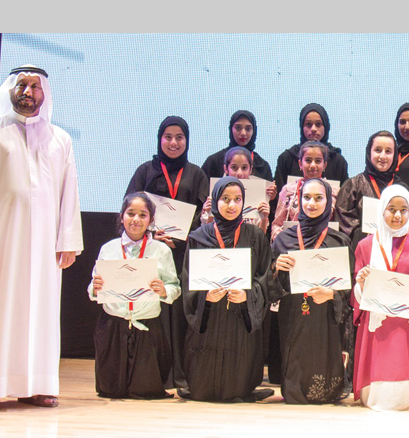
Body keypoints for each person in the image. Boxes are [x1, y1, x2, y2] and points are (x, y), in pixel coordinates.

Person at [0, 65, 83, 410]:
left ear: (45, 93)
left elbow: (69, 193)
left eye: (35, 86)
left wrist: (68, 241)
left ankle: (36, 385)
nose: (28, 92)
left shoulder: (60, 140)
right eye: (22, 85)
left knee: (39, 312)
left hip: (44, 247)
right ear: (10, 90)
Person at [125, 115, 209, 395]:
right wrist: (150, 234)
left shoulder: (196, 174)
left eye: (179, 137)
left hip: (185, 253)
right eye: (168, 137)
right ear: (159, 139)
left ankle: (182, 373)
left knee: (182, 314)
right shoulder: (145, 170)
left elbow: (204, 216)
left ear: (187, 140)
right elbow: (130, 208)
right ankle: (156, 372)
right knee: (156, 312)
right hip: (151, 252)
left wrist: (182, 236)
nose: (173, 143)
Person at [180, 176, 273, 402]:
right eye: (225, 199)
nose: (232, 205)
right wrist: (204, 296)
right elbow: (188, 278)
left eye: (237, 199)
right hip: (210, 316)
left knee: (238, 384)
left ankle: (240, 388)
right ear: (215, 200)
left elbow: (264, 278)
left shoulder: (255, 236)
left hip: (239, 317)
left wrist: (247, 295)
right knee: (203, 385)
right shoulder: (199, 237)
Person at [352, 184, 409, 410]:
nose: (398, 215)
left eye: (403, 210)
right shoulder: (365, 246)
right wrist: (361, 284)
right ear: (382, 210)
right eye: (391, 209)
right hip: (378, 328)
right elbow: (357, 297)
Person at [88, 193, 180, 399]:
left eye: (142, 215)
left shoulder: (161, 250)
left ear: (151, 220)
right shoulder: (108, 249)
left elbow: (174, 287)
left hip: (147, 324)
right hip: (113, 324)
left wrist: (164, 291)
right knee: (112, 390)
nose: (136, 219)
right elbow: (93, 287)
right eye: (130, 213)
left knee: (146, 391)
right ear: (121, 217)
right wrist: (95, 288)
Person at [269, 178, 351, 404]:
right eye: (306, 197)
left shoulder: (339, 241)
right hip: (293, 315)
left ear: (329, 202)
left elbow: (350, 289)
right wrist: (276, 269)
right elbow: (269, 288)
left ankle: (326, 391)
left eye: (318, 198)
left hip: (325, 318)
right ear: (299, 200)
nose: (311, 203)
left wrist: (332, 295)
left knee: (322, 358)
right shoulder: (283, 240)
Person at [336, 130, 402, 249]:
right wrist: (365, 236)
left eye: (388, 151)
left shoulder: (401, 188)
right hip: (362, 250)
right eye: (378, 150)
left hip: (395, 250)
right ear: (369, 152)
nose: (383, 156)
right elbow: (344, 225)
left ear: (395, 155)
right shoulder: (353, 185)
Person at [271, 141, 338, 241]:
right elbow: (277, 224)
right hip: (292, 244)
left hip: (324, 244)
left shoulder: (334, 192)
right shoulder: (288, 190)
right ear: (300, 164)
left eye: (318, 161)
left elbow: (339, 225)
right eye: (308, 160)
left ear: (324, 165)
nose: (313, 165)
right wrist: (284, 241)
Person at [274, 103, 349, 190]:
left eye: (318, 124)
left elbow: (345, 196)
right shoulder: (287, 158)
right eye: (308, 124)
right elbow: (278, 194)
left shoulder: (337, 161)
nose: (313, 129)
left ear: (326, 127)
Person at [201, 146, 272, 232]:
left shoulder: (257, 195)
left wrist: (264, 218)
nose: (239, 173)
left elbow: (261, 236)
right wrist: (210, 213)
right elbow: (207, 234)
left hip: (249, 240)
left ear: (250, 169)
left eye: (244, 168)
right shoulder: (215, 193)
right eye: (234, 168)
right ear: (226, 169)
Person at [200, 110, 275, 182]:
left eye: (248, 128)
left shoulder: (263, 166)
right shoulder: (214, 162)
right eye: (238, 128)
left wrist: (272, 191)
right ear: (231, 129)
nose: (243, 133)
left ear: (254, 131)